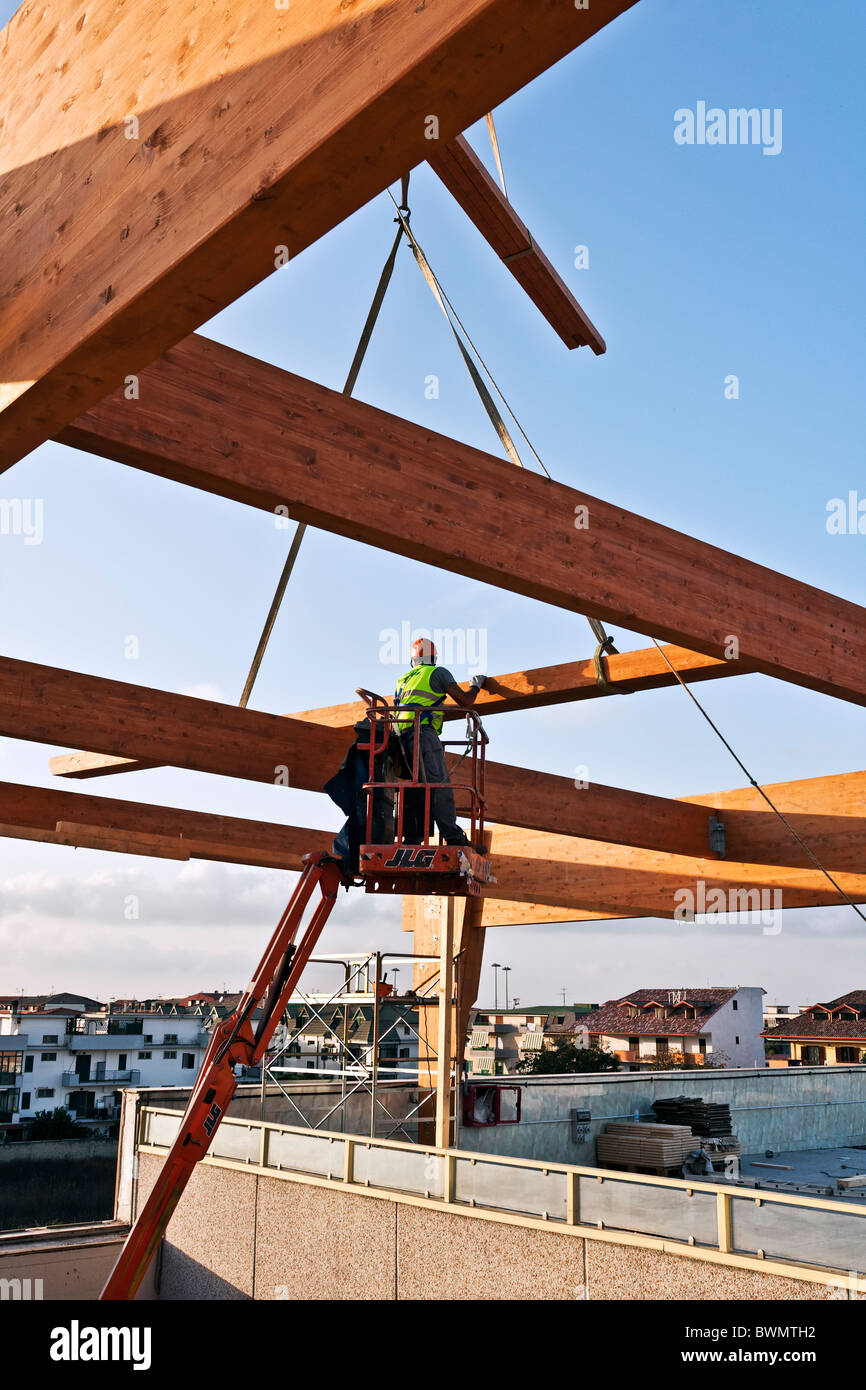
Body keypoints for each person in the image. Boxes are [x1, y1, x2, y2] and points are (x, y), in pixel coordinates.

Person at [394, 637, 486, 847]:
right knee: (439, 786)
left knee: (415, 787)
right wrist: (476, 685)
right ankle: (455, 840)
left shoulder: (403, 679)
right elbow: (466, 701)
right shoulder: (437, 672)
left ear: (413, 660)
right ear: (433, 658)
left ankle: (412, 838)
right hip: (424, 735)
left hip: (402, 739)